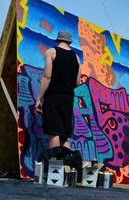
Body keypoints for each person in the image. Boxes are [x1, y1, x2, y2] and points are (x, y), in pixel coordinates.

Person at [35, 30, 82, 182]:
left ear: (57, 40)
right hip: (68, 98)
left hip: (54, 96)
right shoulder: (76, 57)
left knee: (54, 132)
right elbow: (77, 82)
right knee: (64, 135)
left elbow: (47, 76)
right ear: (69, 42)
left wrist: (39, 98)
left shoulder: (51, 52)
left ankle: (55, 171)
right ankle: (68, 172)